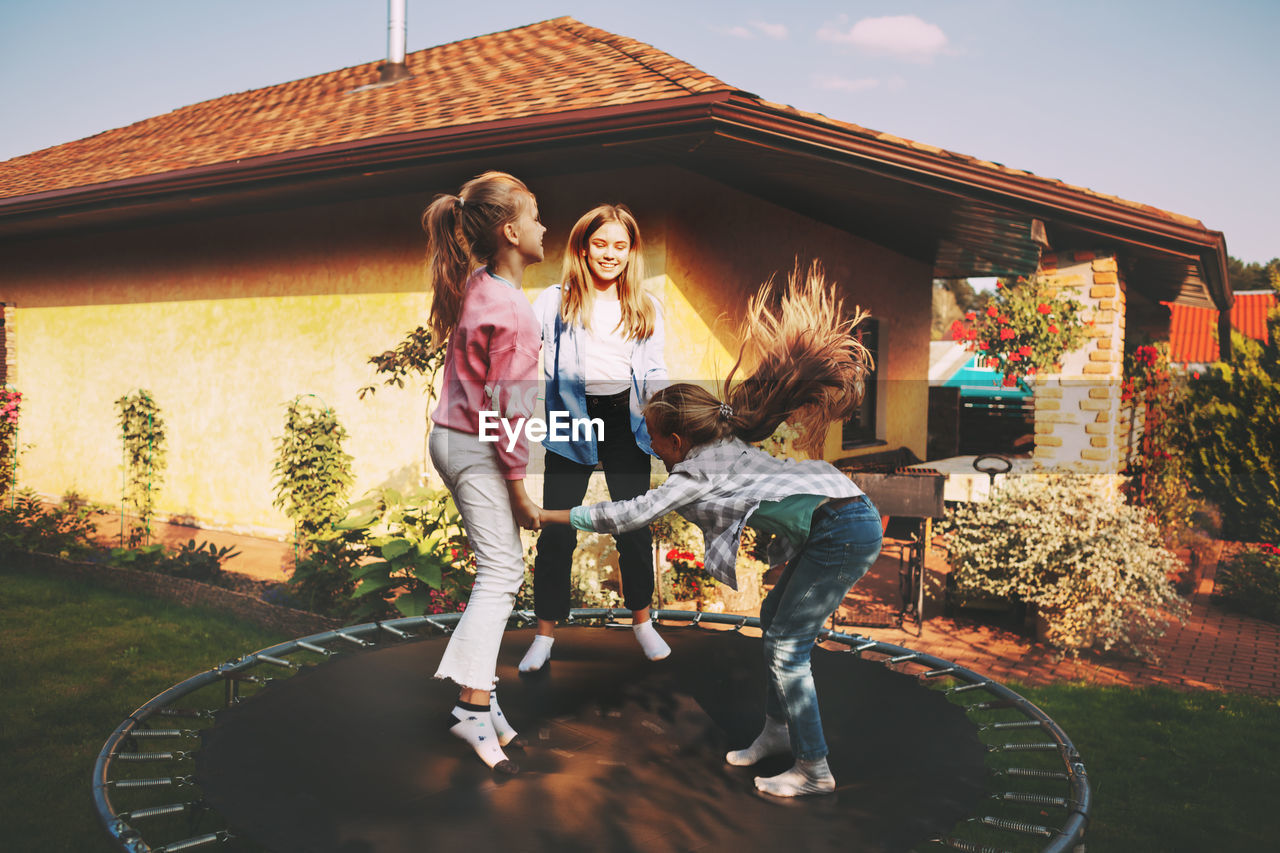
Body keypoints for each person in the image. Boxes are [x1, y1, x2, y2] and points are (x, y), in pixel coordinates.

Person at [540, 264, 882, 797]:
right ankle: (775, 735)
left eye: (652, 436)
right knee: (774, 619)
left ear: (676, 439)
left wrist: (551, 515)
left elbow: (628, 513)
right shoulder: (718, 442)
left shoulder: (696, 473)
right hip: (837, 517)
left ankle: (815, 769)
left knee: (788, 645)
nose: (647, 444)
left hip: (843, 525)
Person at [423, 170, 546, 774]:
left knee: (500, 568)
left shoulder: (480, 282)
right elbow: (510, 412)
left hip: (450, 437)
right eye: (536, 214)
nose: (545, 225)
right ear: (510, 230)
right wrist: (522, 493)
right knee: (501, 572)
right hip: (476, 445)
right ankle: (472, 709)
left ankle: (484, 698)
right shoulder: (515, 315)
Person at [519, 204, 670, 673]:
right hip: (571, 417)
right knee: (557, 529)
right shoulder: (554, 300)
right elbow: (524, 354)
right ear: (583, 247)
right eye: (600, 244)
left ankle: (642, 622)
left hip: (626, 418)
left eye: (619, 246)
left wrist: (670, 418)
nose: (609, 254)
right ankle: (544, 635)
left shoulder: (645, 305)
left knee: (633, 526)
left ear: (631, 252)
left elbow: (655, 370)